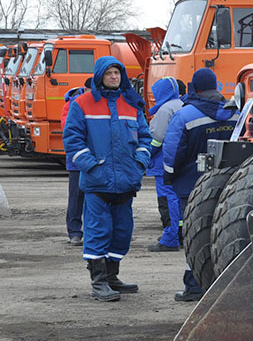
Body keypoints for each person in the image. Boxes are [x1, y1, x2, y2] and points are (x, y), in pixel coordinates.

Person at [63, 56, 152, 302]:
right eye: (109, 73)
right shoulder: (82, 104)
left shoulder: (132, 105)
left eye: (117, 73)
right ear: (100, 75)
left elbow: (146, 138)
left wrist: (139, 163)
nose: (114, 77)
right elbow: (72, 140)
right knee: (97, 232)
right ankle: (98, 281)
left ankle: (112, 276)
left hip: (126, 182)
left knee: (122, 233)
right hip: (97, 183)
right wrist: (92, 166)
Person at [163, 68, 239, 302]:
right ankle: (226, 284)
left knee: (194, 233)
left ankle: (194, 285)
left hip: (191, 185)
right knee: (225, 231)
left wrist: (169, 177)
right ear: (216, 86)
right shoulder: (235, 112)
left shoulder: (185, 116)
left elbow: (172, 152)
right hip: (229, 183)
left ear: (194, 88)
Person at [146, 76, 185, 252]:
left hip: (163, 163)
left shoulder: (165, 109)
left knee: (167, 200)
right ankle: (181, 234)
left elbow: (157, 138)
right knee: (179, 199)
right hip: (181, 162)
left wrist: (144, 154)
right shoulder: (183, 105)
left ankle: (170, 238)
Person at [61, 77, 93, 246]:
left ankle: (91, 231)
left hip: (96, 160)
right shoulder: (72, 105)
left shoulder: (100, 104)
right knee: (76, 196)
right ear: (85, 89)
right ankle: (74, 232)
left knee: (95, 197)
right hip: (76, 161)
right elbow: (70, 131)